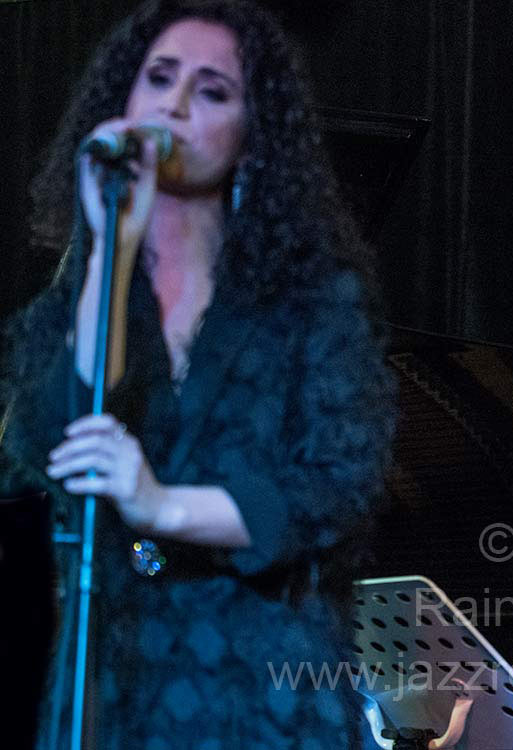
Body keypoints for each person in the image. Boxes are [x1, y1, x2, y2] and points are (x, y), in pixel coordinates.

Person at [0, 1, 395, 747]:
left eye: (212, 91)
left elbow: (331, 492)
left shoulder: (309, 303)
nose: (174, 104)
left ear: (252, 135)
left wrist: (160, 503)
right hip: (114, 683)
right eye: (159, 77)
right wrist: (109, 250)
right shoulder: (84, 295)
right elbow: (46, 442)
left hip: (264, 688)